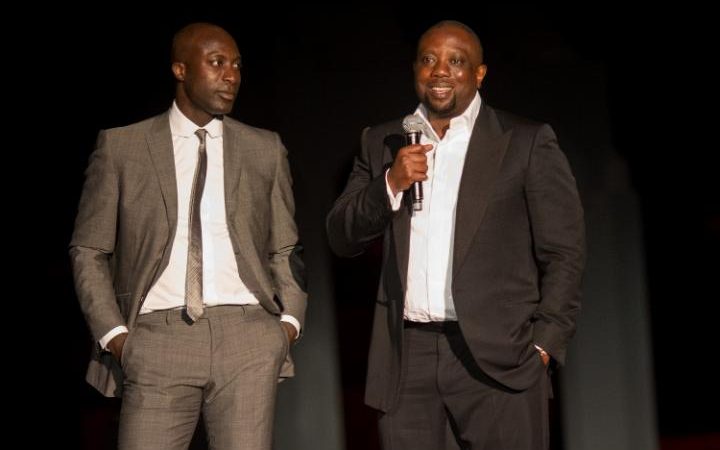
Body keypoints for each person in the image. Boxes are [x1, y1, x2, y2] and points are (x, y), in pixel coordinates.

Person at [327, 20, 585, 450]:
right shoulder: (383, 142)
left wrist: (545, 344)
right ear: (415, 69)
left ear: (480, 73)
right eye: (429, 60)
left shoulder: (524, 142)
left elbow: (564, 252)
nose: (440, 71)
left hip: (500, 356)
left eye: (456, 61)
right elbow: (340, 235)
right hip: (407, 357)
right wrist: (389, 183)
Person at [70, 22, 307, 450]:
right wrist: (116, 337)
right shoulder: (122, 147)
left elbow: (285, 246)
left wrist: (287, 324)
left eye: (236, 65)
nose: (231, 75)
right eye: (217, 63)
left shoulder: (263, 148)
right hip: (157, 339)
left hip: (248, 336)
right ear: (181, 69)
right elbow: (89, 248)